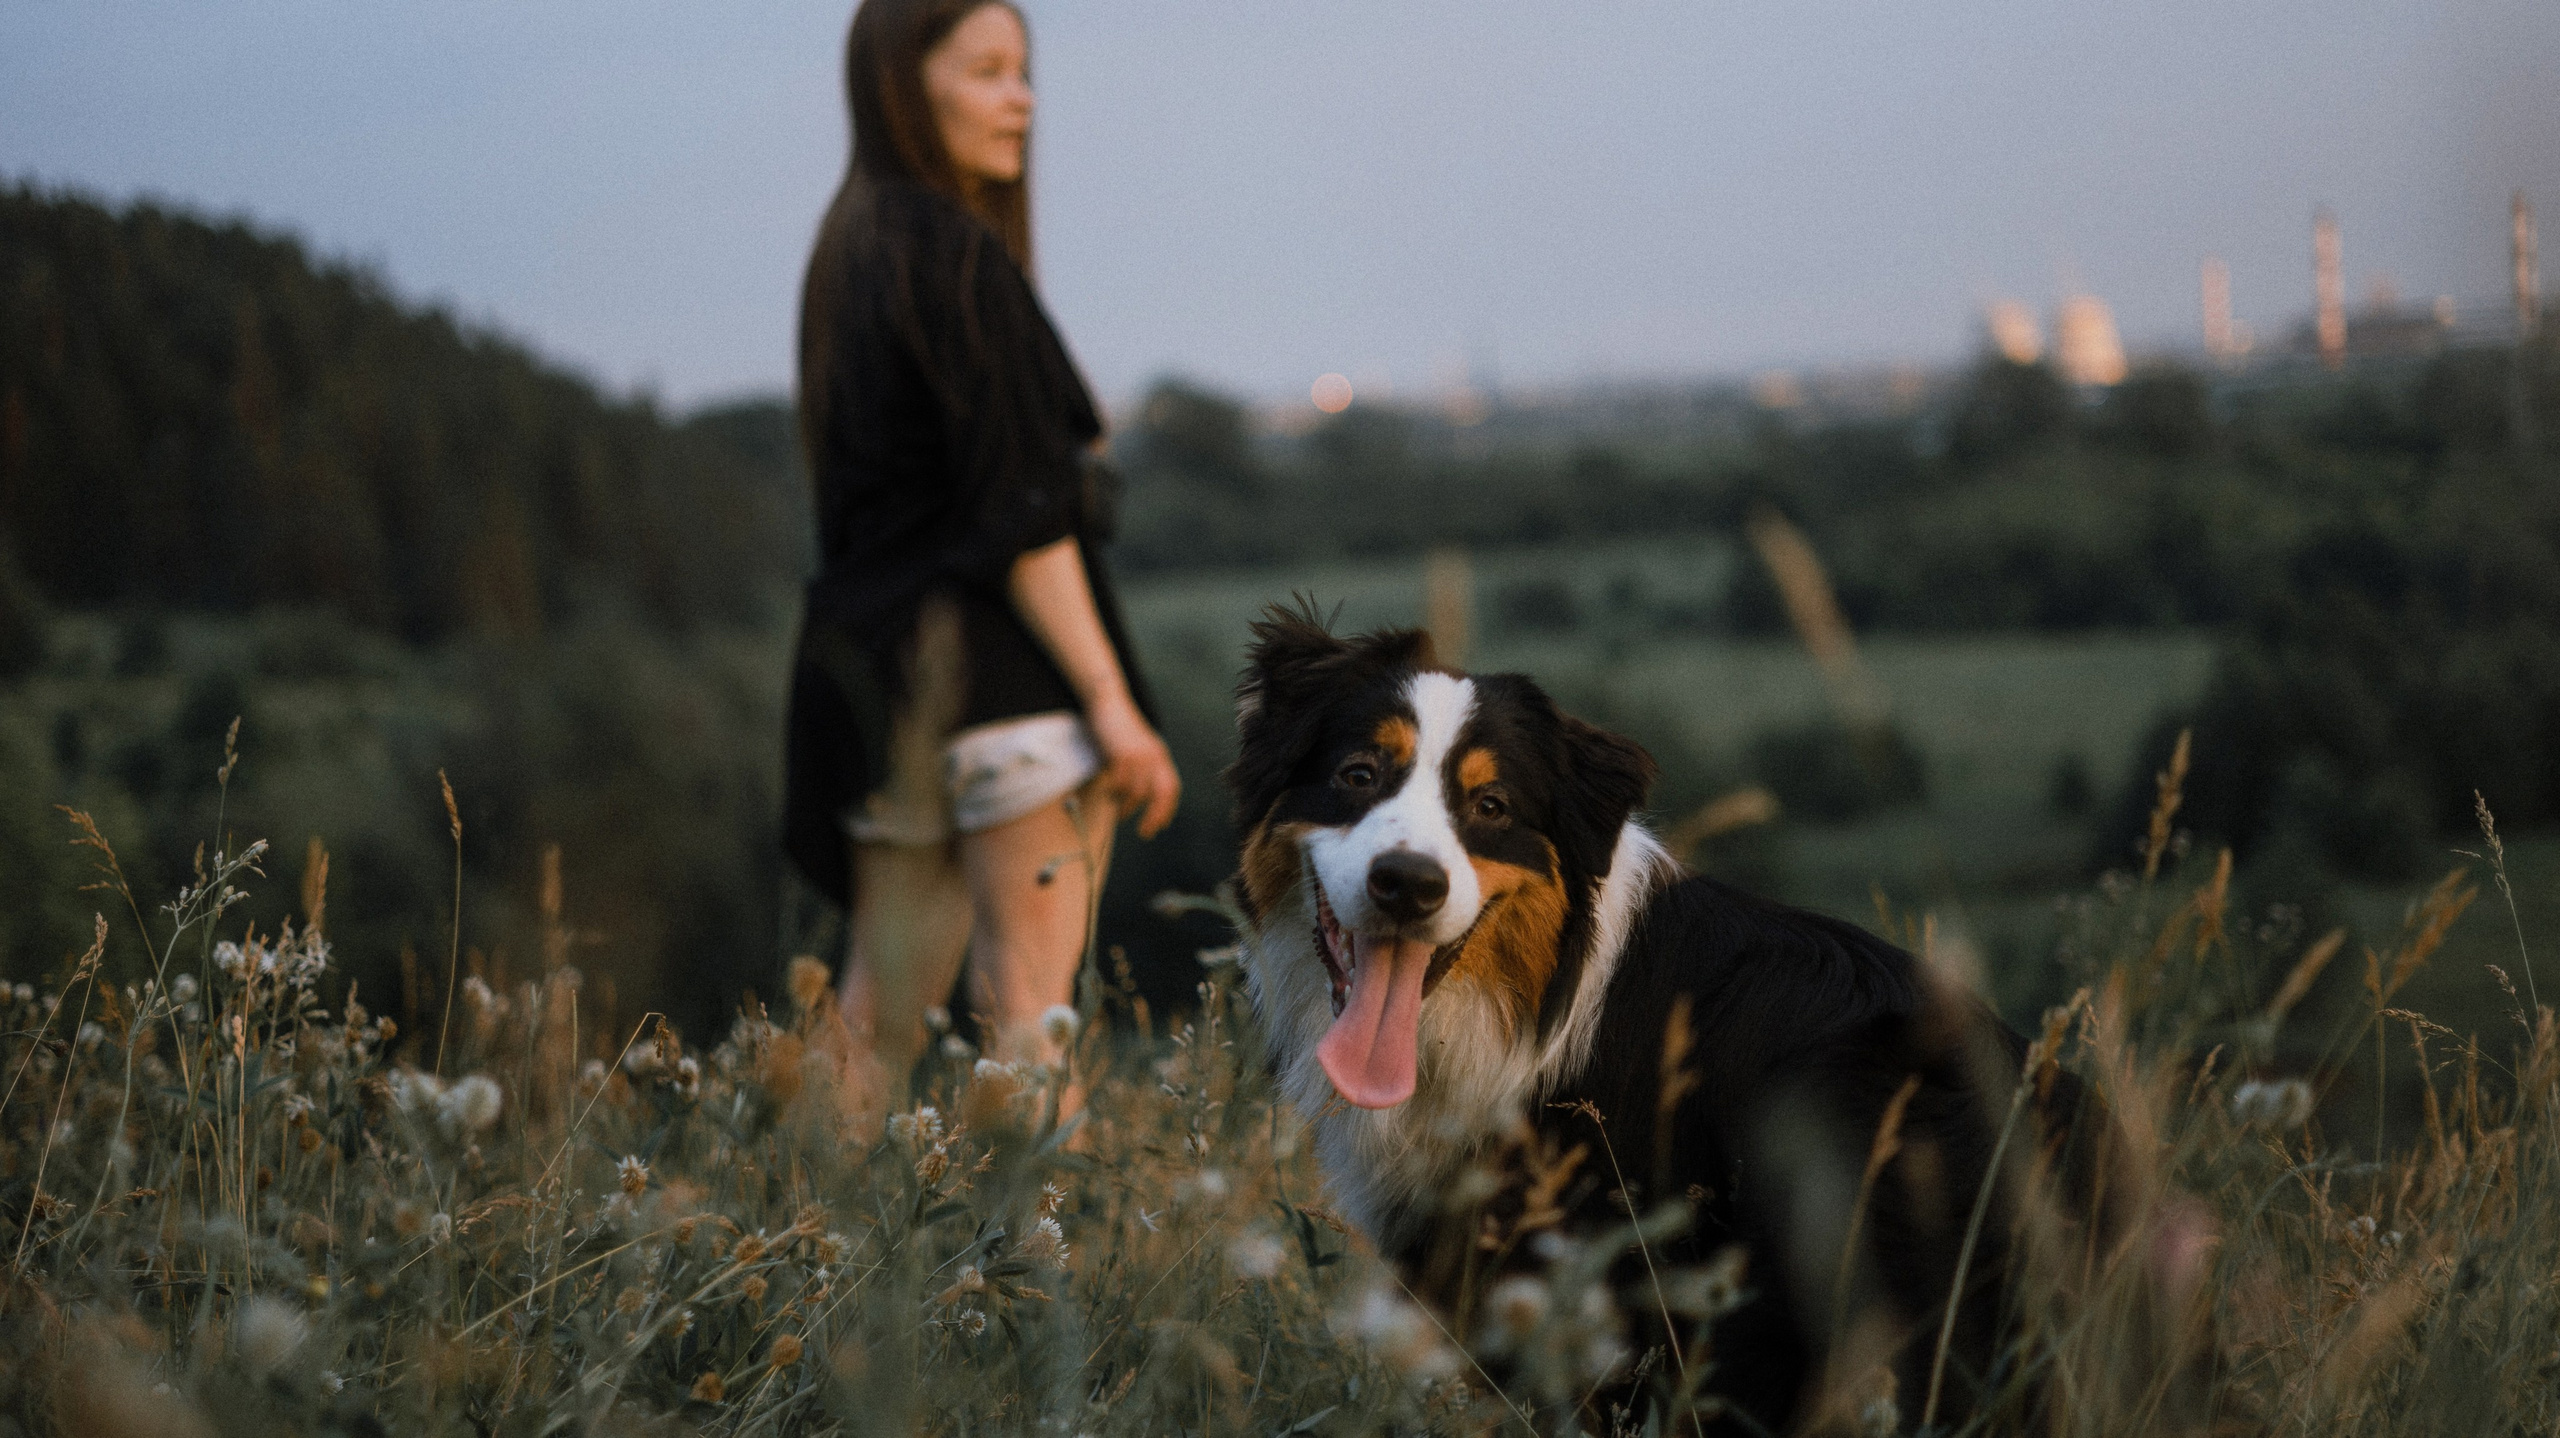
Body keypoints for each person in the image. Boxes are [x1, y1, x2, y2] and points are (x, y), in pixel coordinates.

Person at [783, 0, 1179, 1112]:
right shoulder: (959, 255)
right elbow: (1022, 517)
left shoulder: (848, 254)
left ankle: (801, 1264)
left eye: (1024, 71)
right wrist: (1113, 704)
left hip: (883, 696)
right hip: (1008, 698)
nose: (1024, 99)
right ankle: (1036, 1286)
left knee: (870, 1022)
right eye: (990, 72)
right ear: (908, 82)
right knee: (1030, 1024)